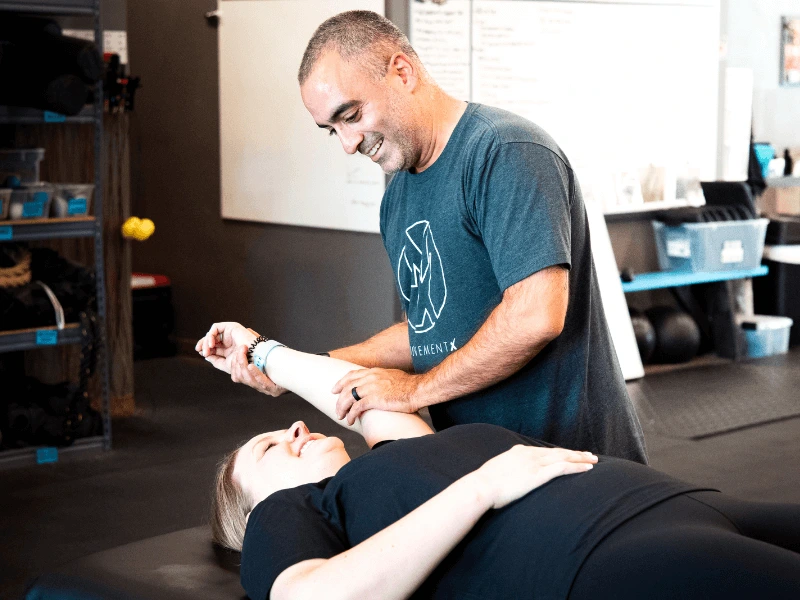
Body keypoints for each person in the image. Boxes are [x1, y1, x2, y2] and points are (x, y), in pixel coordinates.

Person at [207, 10, 649, 462]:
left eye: (351, 115)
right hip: (487, 472)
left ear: (402, 72)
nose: (347, 143)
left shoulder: (506, 153)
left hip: (577, 465)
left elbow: (535, 316)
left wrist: (414, 390)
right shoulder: (397, 199)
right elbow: (431, 331)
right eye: (332, 130)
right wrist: (287, 367)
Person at [203, 329, 800, 600]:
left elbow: (349, 392)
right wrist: (482, 487)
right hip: (604, 552)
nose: (296, 428)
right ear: (250, 511)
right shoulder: (290, 513)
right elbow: (313, 597)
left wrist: (261, 352)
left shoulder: (393, 455)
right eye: (269, 448)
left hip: (676, 500)